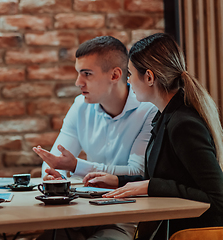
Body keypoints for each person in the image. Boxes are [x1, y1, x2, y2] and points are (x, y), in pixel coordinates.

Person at [83, 33, 223, 238]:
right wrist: (119, 181)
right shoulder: (164, 116)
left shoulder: (183, 124)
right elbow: (172, 178)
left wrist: (150, 185)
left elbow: (217, 196)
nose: (128, 82)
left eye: (129, 74)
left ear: (149, 77)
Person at [33, 36, 157, 240]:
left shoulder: (148, 110)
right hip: (81, 212)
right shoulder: (80, 106)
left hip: (125, 217)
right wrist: (55, 176)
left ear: (115, 75)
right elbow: (55, 160)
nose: (78, 82)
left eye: (87, 74)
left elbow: (138, 172)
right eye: (78, 73)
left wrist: (76, 166)